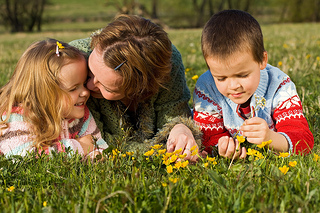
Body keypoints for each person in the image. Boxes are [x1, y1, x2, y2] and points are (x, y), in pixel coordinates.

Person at [69, 14, 203, 161]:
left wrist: (180, 128)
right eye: (90, 72)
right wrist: (162, 151)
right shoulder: (74, 62)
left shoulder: (168, 64)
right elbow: (95, 140)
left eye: (107, 88)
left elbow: (173, 111)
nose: (88, 86)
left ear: (141, 89)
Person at [193, 10, 314, 158]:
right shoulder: (207, 88)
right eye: (221, 78)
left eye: (243, 75)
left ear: (262, 60)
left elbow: (303, 140)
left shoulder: (279, 86)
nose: (233, 86)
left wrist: (271, 138)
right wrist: (222, 147)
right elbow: (207, 136)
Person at [0, 39, 108, 158]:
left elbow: (97, 144)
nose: (85, 92)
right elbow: (22, 157)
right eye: (72, 89)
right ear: (43, 93)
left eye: (84, 83)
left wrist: (96, 157)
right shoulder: (19, 117)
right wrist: (78, 147)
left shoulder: (81, 114)